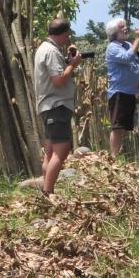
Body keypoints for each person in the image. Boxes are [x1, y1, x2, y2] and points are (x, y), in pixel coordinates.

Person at [33, 17, 83, 195]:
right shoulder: (51, 52)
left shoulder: (43, 48)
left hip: (48, 106)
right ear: (63, 34)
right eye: (67, 34)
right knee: (60, 152)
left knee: (50, 152)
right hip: (57, 105)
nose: (68, 38)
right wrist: (73, 65)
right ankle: (48, 193)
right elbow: (59, 79)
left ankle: (46, 191)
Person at [103, 17, 139, 157]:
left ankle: (116, 154)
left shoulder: (128, 44)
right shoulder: (112, 48)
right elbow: (127, 58)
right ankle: (113, 157)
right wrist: (137, 40)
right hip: (119, 92)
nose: (125, 29)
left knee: (123, 127)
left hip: (130, 92)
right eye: (122, 27)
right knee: (117, 127)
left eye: (125, 26)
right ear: (114, 32)